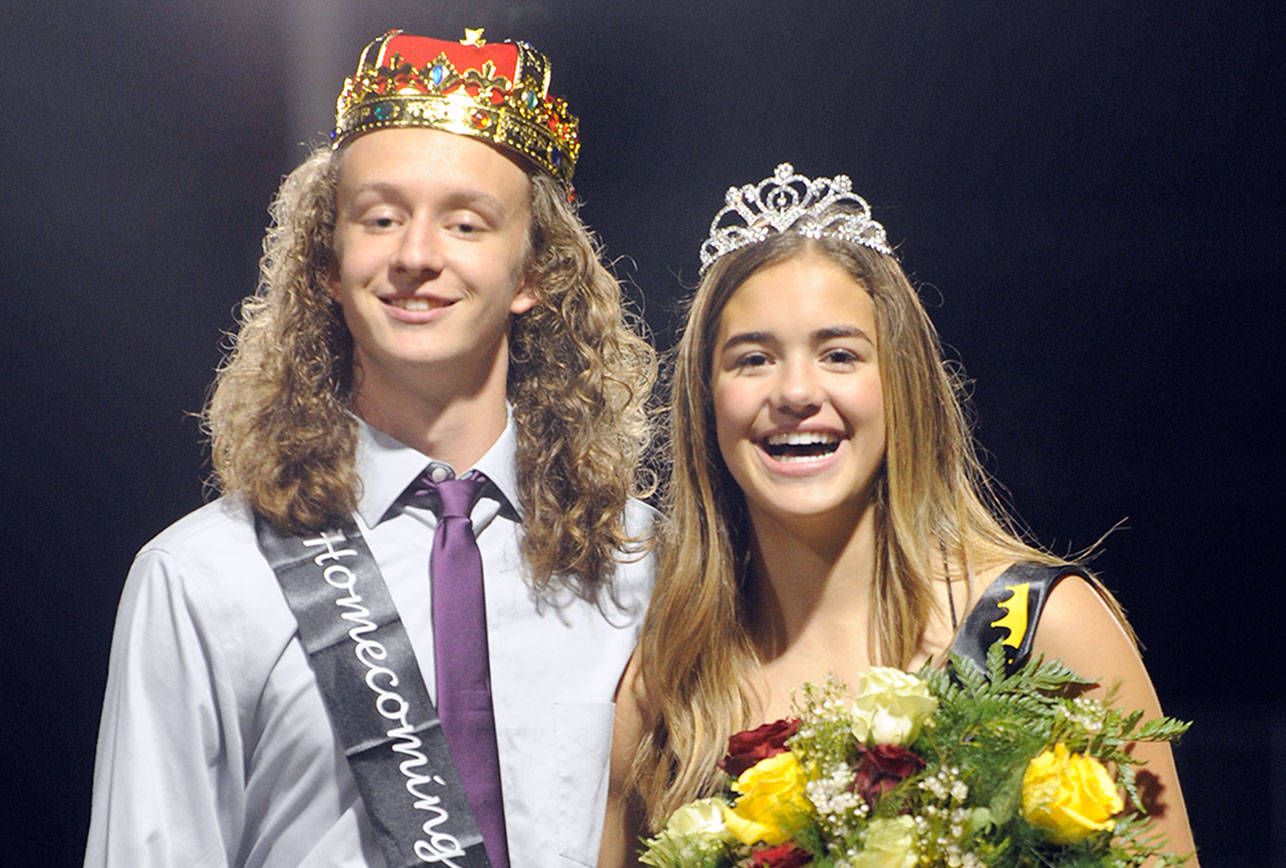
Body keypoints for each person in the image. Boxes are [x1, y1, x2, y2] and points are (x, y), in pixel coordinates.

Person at [86, 28, 657, 867]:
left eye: (466, 223)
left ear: (535, 273)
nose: (415, 256)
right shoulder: (203, 577)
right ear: (328, 261)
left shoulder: (643, 564)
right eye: (381, 218)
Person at [600, 164, 1196, 864]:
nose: (796, 392)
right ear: (706, 401)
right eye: (753, 359)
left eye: (839, 354)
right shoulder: (668, 682)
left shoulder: (1043, 628)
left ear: (901, 384)